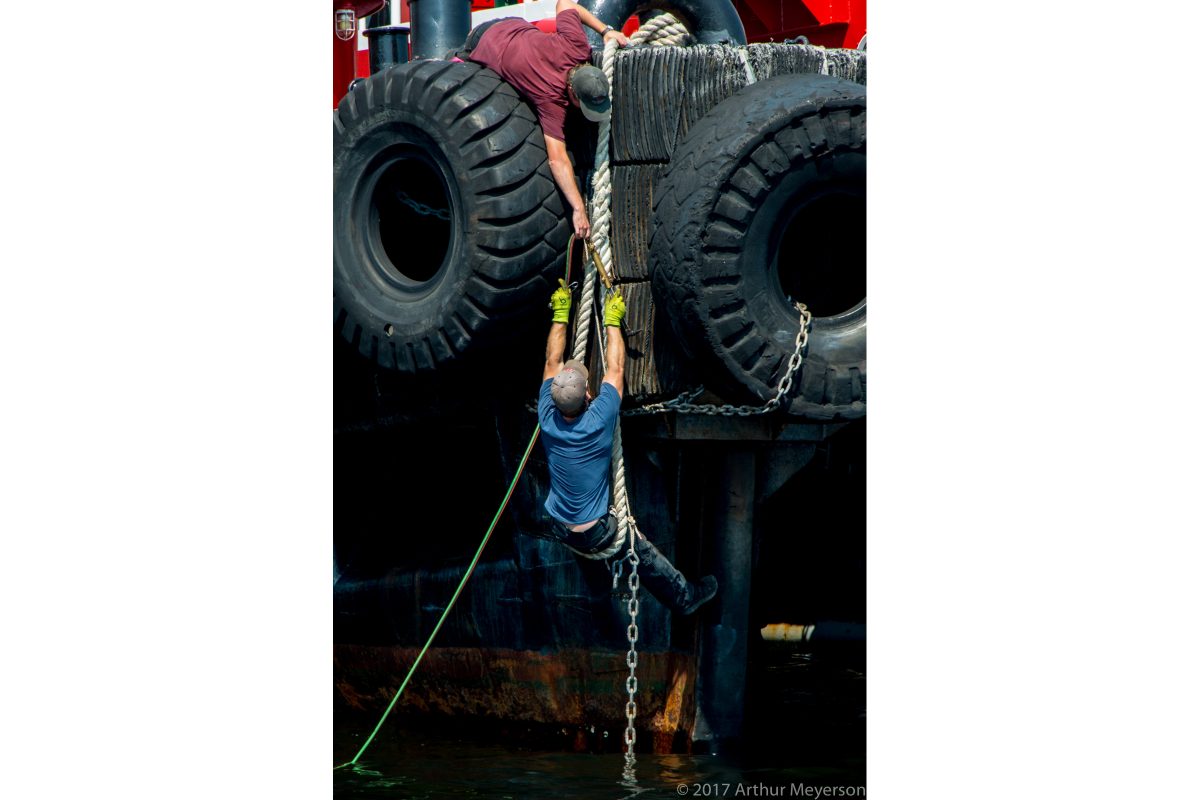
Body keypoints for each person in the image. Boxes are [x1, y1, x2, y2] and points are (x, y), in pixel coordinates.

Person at [537, 279, 719, 615]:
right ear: (587, 395)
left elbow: (552, 359)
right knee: (641, 551)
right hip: (595, 532)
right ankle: (685, 599)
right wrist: (613, 320)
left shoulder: (546, 417)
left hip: (559, 526)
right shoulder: (599, 419)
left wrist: (561, 312)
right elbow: (617, 367)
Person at [464, 0, 631, 241]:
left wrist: (606, 31)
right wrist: (578, 208)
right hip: (481, 42)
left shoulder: (577, 46)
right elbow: (557, 160)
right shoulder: (550, 99)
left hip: (512, 26)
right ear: (572, 94)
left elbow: (564, 3)